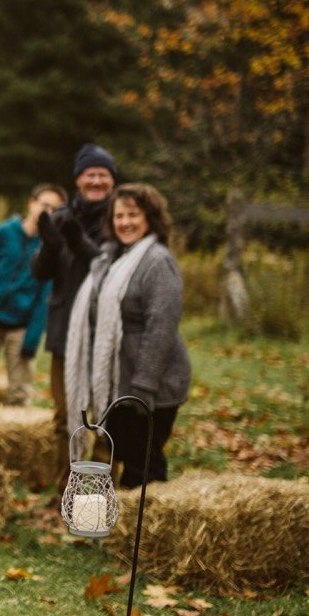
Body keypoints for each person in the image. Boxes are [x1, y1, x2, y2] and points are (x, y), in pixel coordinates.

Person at [65, 183, 190, 489]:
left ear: (150, 218)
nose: (125, 222)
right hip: (117, 384)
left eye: (133, 214)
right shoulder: (110, 259)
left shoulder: (157, 262)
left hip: (148, 386)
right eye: (119, 216)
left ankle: (147, 528)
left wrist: (144, 386)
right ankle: (132, 526)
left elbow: (161, 326)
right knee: (128, 456)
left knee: (143, 462)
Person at [31, 144, 117, 489]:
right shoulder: (63, 215)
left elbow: (109, 268)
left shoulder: (122, 216)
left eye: (102, 174)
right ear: (78, 179)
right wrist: (51, 244)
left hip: (105, 332)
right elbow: (39, 272)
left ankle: (100, 487)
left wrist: (79, 241)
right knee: (64, 415)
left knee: (105, 414)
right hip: (65, 330)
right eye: (89, 174)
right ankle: (65, 485)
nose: (95, 180)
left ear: (112, 180)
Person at [0, 183, 67, 407]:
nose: (47, 212)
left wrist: (32, 336)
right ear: (32, 204)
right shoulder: (5, 232)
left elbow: (45, 294)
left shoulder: (52, 246)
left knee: (20, 389)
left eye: (55, 209)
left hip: (21, 325)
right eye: (44, 205)